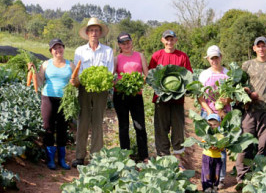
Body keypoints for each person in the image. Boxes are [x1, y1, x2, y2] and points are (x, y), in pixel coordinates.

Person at [235, 36, 266, 190]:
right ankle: (242, 178)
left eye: (264, 46)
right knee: (246, 145)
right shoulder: (247, 65)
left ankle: (258, 177)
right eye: (258, 46)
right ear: (254, 48)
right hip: (249, 111)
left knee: (263, 146)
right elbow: (238, 87)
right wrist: (248, 93)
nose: (261, 49)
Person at [71, 17, 114, 168]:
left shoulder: (108, 51)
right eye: (91, 30)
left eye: (97, 30)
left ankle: (95, 157)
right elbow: (78, 70)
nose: (94, 33)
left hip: (101, 90)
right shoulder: (80, 51)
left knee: (97, 122)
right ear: (87, 33)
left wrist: (100, 81)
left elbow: (110, 71)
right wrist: (82, 81)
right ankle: (79, 156)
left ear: (100, 33)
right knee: (82, 121)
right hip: (84, 89)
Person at [28, 38, 75, 170]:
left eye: (60, 47)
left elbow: (76, 82)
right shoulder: (46, 64)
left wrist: (74, 83)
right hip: (48, 97)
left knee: (62, 128)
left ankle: (61, 159)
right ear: (51, 51)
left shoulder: (70, 65)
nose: (58, 50)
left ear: (63, 48)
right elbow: (40, 80)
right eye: (55, 48)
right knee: (48, 127)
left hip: (64, 100)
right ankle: (50, 159)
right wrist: (33, 71)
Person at [148, 30, 193, 168]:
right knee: (161, 128)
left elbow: (188, 76)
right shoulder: (156, 56)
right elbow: (151, 76)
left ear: (176, 40)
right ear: (162, 40)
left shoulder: (182, 56)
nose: (169, 42)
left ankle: (178, 158)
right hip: (161, 99)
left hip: (177, 99)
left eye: (172, 39)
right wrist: (160, 88)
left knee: (178, 128)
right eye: (167, 39)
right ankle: (163, 157)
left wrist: (187, 88)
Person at [113, 32, 149, 162]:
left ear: (131, 42)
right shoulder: (116, 59)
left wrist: (140, 81)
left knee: (139, 126)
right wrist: (118, 83)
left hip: (136, 95)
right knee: (123, 126)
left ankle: (144, 156)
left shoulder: (140, 56)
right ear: (119, 45)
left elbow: (147, 74)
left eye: (128, 42)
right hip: (120, 96)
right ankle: (125, 156)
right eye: (123, 43)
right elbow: (112, 77)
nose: (126, 45)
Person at [198, 45, 230, 189]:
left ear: (221, 57)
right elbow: (200, 96)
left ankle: (221, 178)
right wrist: (209, 111)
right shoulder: (204, 75)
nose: (214, 60)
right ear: (208, 59)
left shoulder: (228, 73)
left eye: (216, 57)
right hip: (208, 113)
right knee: (208, 145)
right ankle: (208, 177)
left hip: (224, 114)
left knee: (221, 146)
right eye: (212, 58)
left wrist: (225, 102)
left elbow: (233, 95)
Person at [201, 114, 224, 192]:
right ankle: (207, 187)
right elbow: (203, 143)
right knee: (207, 172)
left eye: (215, 124)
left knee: (216, 173)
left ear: (219, 124)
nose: (213, 126)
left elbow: (223, 147)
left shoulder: (220, 135)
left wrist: (219, 147)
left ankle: (215, 186)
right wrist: (211, 146)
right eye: (210, 124)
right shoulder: (206, 134)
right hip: (207, 156)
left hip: (217, 157)